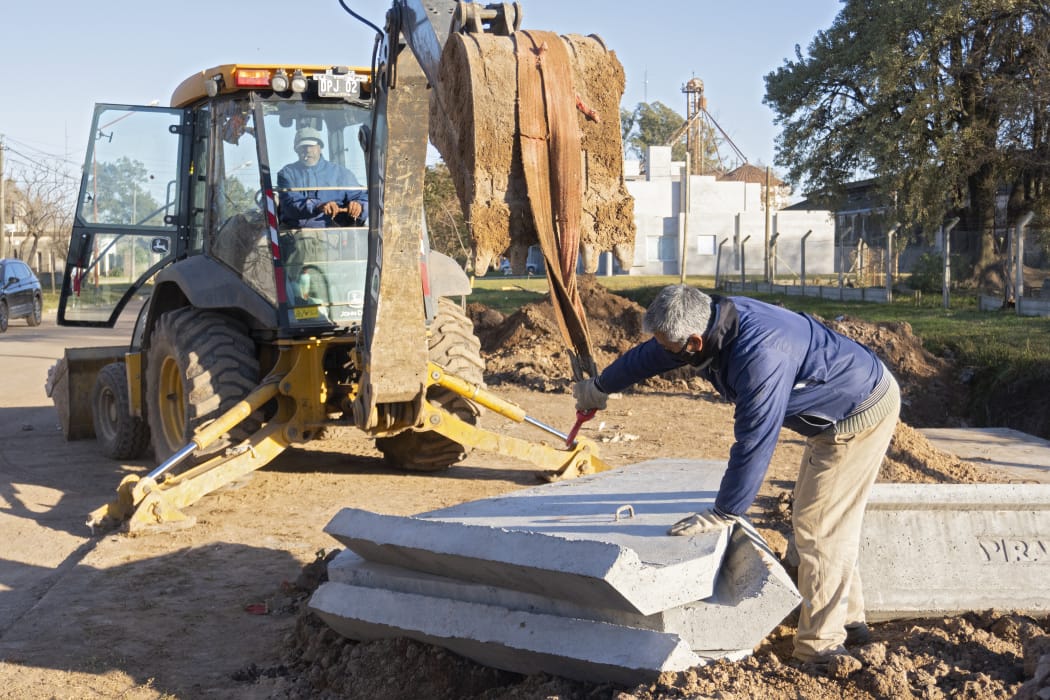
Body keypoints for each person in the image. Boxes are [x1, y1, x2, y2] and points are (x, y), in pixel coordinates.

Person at [572, 284, 900, 664]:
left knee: (819, 527)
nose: (663, 351)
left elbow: (755, 441)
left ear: (694, 341)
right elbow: (653, 356)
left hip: (858, 416)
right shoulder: (712, 321)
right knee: (826, 520)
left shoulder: (760, 357)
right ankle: (850, 618)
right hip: (836, 402)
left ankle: (821, 645)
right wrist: (600, 386)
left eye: (670, 345)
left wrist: (725, 511)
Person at [277, 127, 368, 228]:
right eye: (303, 147)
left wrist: (358, 205)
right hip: (294, 235)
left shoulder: (341, 173)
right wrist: (318, 206)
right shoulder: (287, 174)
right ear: (296, 150)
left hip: (334, 235)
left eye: (312, 145)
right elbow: (290, 204)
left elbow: (363, 197)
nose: (307, 150)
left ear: (320, 147)